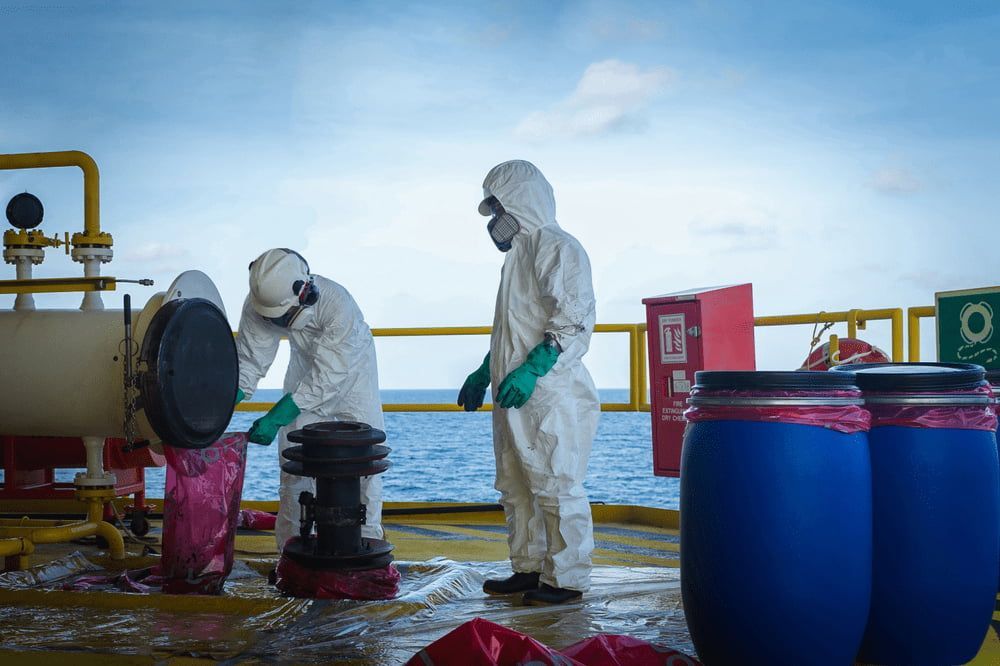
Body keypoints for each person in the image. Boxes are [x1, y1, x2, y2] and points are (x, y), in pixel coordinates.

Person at [457, 160, 600, 605]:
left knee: (556, 483)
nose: (497, 219)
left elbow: (573, 319)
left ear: (522, 199)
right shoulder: (517, 258)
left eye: (500, 207)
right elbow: (513, 331)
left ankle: (567, 578)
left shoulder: (558, 247)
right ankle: (529, 567)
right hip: (514, 392)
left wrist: (535, 368)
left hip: (550, 393)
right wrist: (486, 370)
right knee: (516, 485)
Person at [235, 248, 385, 551]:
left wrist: (276, 417)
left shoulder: (337, 303)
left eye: (284, 317)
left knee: (363, 464)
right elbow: (249, 361)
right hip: (304, 368)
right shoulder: (260, 304)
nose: (280, 322)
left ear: (306, 292)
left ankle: (367, 545)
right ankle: (291, 551)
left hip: (355, 375)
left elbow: (329, 375)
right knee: (294, 465)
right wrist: (225, 401)